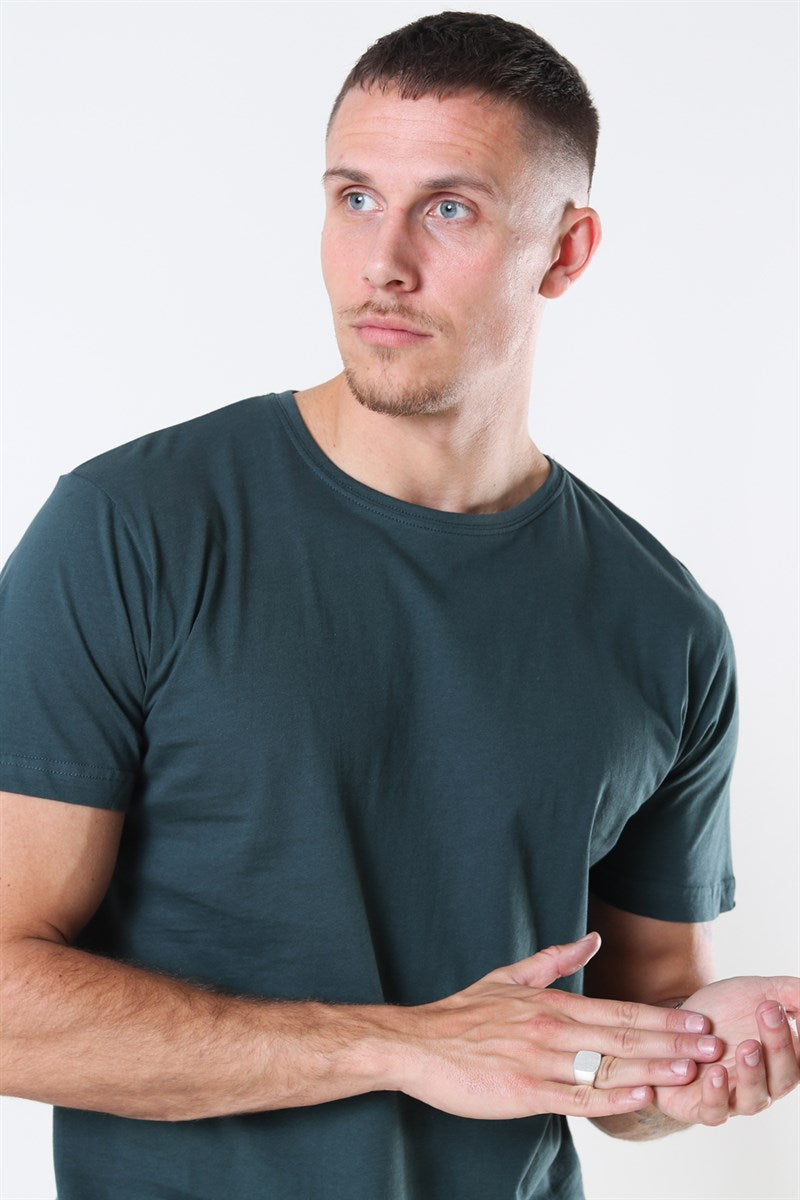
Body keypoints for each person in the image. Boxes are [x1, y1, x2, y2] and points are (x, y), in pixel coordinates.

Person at [1, 10, 797, 1200]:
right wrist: (402, 1045)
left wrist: (690, 1062)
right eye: (354, 198)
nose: (382, 261)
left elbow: (625, 1034)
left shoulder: (663, 627)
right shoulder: (135, 528)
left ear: (564, 250)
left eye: (450, 208)